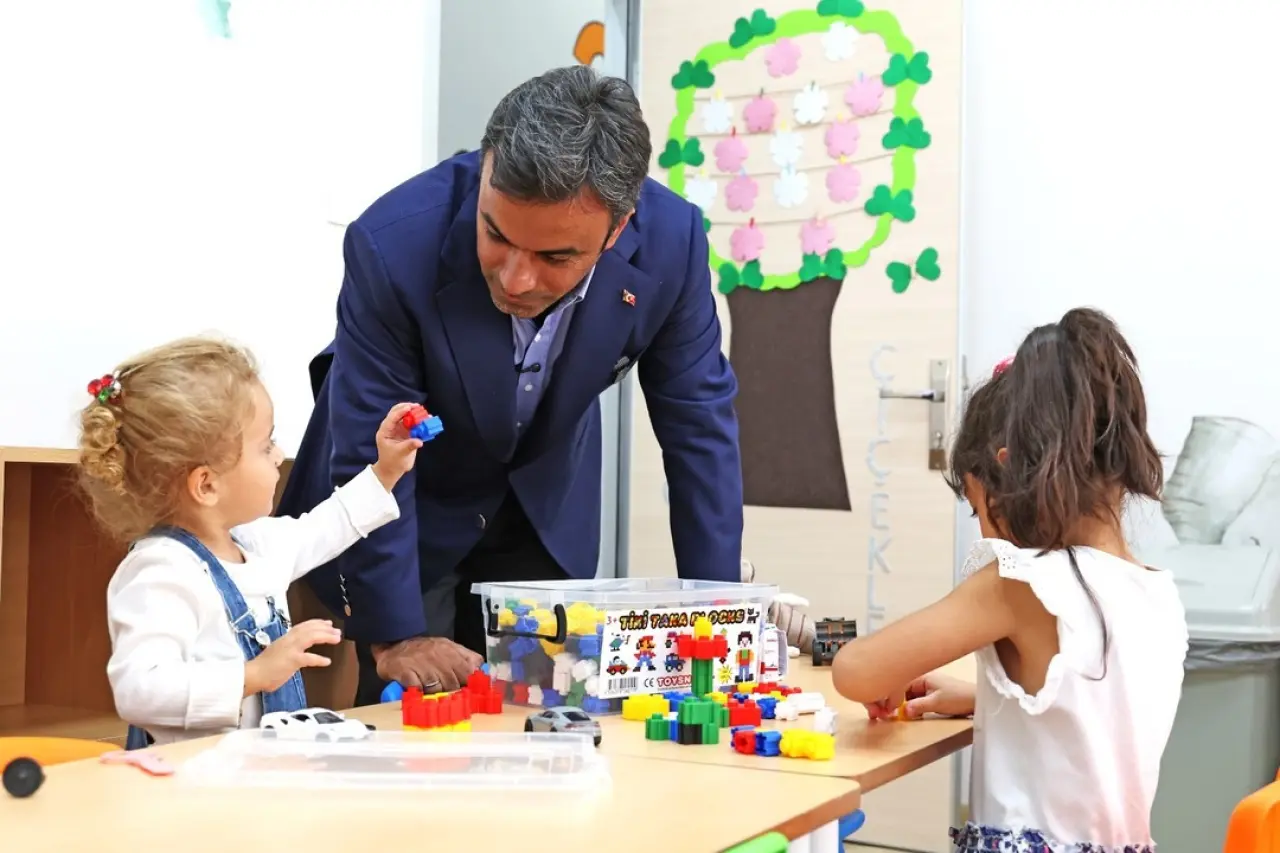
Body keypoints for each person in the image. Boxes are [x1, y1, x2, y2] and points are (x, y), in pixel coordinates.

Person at [277, 64, 744, 707]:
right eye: (496, 235)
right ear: (486, 172)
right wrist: (397, 634)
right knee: (414, 722)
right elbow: (370, 441)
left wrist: (717, 617)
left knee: (543, 715)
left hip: (541, 511)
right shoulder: (393, 243)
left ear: (618, 229)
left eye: (556, 258)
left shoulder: (673, 242)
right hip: (405, 517)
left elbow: (699, 425)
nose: (517, 279)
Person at [832, 308, 1188, 852]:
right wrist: (988, 699)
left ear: (1006, 475)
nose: (984, 528)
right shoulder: (1158, 594)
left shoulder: (1022, 582)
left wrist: (889, 673)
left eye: (978, 509)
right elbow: (1094, 719)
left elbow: (855, 672)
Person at [77, 337, 422, 746]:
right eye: (265, 445)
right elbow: (139, 690)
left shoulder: (255, 544)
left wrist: (386, 471)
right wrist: (254, 675)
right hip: (191, 778)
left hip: (257, 772)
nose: (278, 456)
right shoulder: (161, 571)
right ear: (207, 485)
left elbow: (326, 526)